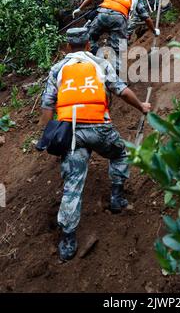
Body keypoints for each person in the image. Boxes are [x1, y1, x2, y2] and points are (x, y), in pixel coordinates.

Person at [39, 27, 151, 261]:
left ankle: (68, 241)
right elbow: (121, 90)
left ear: (68, 47)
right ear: (88, 45)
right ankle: (117, 197)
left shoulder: (57, 69)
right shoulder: (100, 63)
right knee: (119, 153)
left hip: (71, 134)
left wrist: (46, 136)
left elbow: (48, 106)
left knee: (73, 185)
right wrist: (142, 106)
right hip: (100, 127)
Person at [72, 0, 159, 74]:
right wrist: (154, 31)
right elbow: (146, 17)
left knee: (89, 38)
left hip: (102, 14)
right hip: (119, 18)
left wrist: (80, 8)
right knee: (118, 50)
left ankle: (97, 56)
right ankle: (117, 78)